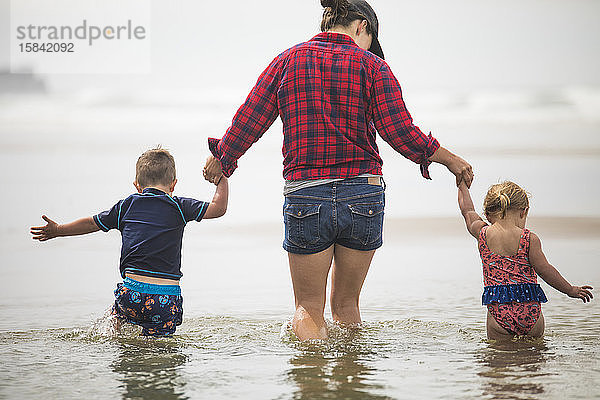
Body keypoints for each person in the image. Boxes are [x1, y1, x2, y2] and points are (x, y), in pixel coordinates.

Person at [203, 0, 474, 341]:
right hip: (364, 196)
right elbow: (401, 131)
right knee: (347, 305)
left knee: (307, 308)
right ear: (361, 25)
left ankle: (311, 378)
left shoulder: (287, 61)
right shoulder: (372, 66)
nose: (370, 48)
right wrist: (451, 161)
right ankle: (352, 382)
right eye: (370, 39)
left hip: (307, 195)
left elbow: (251, 117)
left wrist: (222, 158)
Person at [30, 147, 229, 336]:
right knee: (159, 349)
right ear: (173, 184)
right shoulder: (179, 206)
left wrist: (58, 230)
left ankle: (112, 336)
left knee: (113, 321)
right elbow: (217, 208)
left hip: (131, 293)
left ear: (137, 185)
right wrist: (222, 178)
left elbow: (91, 223)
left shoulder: (126, 206)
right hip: (166, 298)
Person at [457, 180, 593, 339]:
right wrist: (570, 290)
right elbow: (545, 270)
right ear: (523, 212)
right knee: (533, 359)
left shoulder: (482, 234)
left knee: (497, 360)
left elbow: (467, 211)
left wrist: (462, 185)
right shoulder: (529, 239)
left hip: (499, 313)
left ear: (487, 214)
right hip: (530, 312)